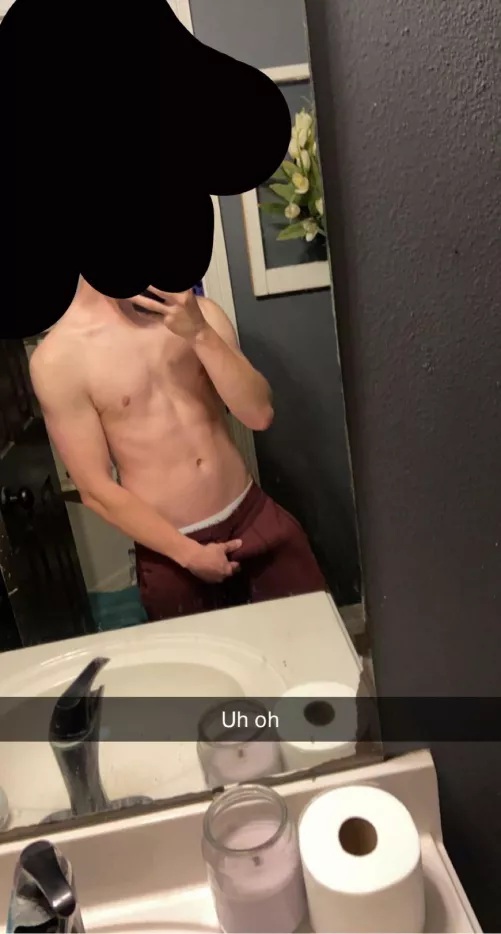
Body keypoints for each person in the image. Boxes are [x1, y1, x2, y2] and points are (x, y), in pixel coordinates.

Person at [30, 278, 326, 621]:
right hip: (172, 552)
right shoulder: (58, 359)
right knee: (204, 658)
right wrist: (187, 553)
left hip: (252, 516)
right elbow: (95, 488)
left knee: (315, 637)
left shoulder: (198, 312)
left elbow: (259, 414)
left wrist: (199, 332)